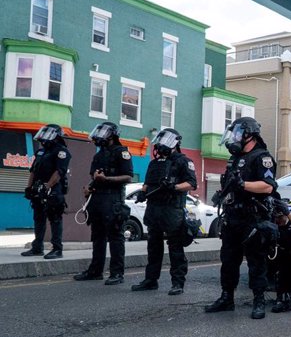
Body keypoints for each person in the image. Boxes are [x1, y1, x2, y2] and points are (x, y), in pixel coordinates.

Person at [205, 117, 278, 319]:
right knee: (228, 260)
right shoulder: (235, 159)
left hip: (253, 217)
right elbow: (231, 183)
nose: (235, 137)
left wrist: (243, 185)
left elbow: (268, 186)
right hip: (232, 217)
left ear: (249, 135)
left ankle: (259, 300)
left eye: (238, 133)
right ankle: (227, 298)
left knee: (256, 261)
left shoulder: (262, 157)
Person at [130, 128, 197, 296]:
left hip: (172, 210)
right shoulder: (155, 163)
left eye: (164, 141)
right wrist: (143, 192)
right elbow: (148, 182)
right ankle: (150, 280)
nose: (160, 145)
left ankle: (178, 283)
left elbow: (191, 183)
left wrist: (174, 187)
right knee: (153, 247)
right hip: (154, 209)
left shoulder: (183, 161)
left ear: (174, 143)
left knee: (175, 248)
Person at [74, 122, 133, 284]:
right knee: (97, 236)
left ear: (113, 135)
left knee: (115, 237)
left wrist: (106, 179)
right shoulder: (98, 155)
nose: (100, 136)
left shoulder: (122, 153)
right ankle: (95, 271)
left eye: (104, 133)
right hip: (97, 200)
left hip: (113, 199)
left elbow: (128, 177)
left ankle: (117, 273)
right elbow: (94, 175)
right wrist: (89, 186)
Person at [22, 124, 71, 260]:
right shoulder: (41, 152)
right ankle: (37, 247)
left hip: (54, 190)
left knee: (55, 219)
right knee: (38, 218)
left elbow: (59, 172)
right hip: (38, 188)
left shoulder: (62, 152)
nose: (43, 138)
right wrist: (29, 187)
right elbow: (33, 170)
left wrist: (48, 186)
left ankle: (57, 249)